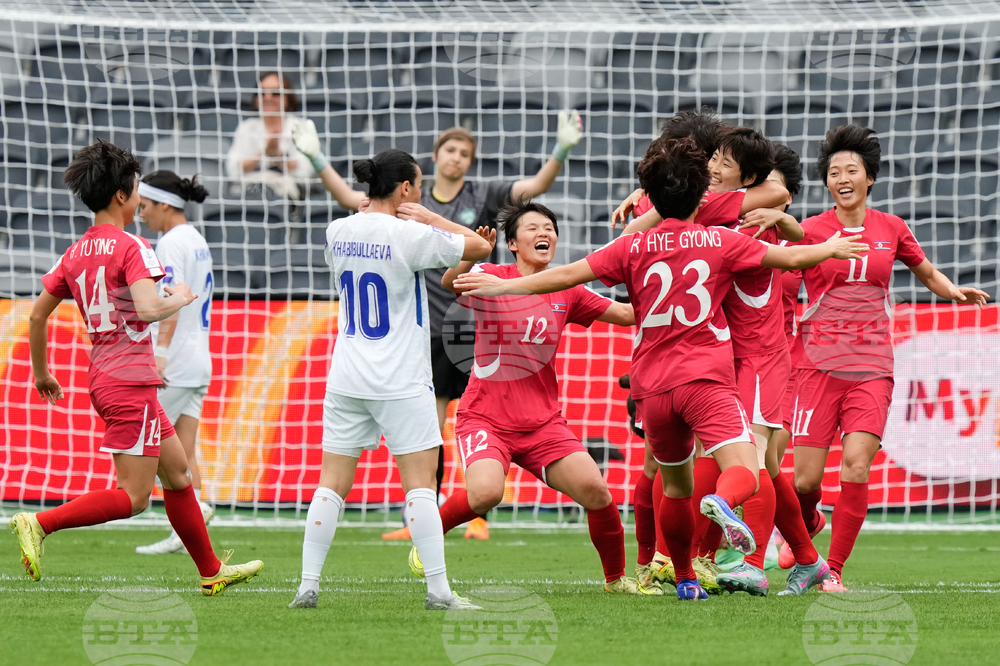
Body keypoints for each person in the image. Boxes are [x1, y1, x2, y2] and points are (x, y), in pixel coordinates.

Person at [454, 137, 869, 601]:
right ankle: (724, 507)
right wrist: (831, 247)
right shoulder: (719, 238)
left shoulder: (632, 245)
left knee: (673, 486)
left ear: (652, 195)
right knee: (746, 470)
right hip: (705, 377)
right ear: (701, 195)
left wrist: (509, 289)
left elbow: (567, 275)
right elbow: (790, 256)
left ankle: (684, 578)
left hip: (652, 386)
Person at [10, 141, 263, 595]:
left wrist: (42, 372)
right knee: (134, 497)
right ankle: (39, 523)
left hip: (110, 377)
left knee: (180, 476)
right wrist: (180, 298)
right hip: (130, 379)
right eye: (137, 192)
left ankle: (210, 570)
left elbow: (35, 315)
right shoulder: (134, 246)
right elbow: (147, 310)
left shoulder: (75, 252)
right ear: (124, 196)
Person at [288, 149, 492, 611]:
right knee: (420, 484)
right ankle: (439, 591)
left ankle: (307, 584)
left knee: (330, 484)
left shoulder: (337, 230)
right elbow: (481, 248)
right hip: (400, 377)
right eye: (417, 187)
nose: (420, 194)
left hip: (346, 375)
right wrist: (432, 217)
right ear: (405, 190)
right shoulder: (412, 232)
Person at [788, 125, 989, 592]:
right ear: (827, 182)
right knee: (803, 482)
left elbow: (927, 271)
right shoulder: (809, 230)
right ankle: (810, 521)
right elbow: (780, 269)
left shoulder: (892, 228)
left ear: (869, 178)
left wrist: (954, 293)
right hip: (815, 364)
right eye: (834, 171)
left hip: (872, 365)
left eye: (851, 170)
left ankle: (832, 571)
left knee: (857, 466)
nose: (842, 177)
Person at [407, 200, 642, 594]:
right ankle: (426, 537)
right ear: (513, 243)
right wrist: (464, 256)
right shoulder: (491, 275)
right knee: (485, 494)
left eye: (549, 228)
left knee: (596, 491)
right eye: (532, 228)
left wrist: (662, 285)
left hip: (543, 424)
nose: (544, 233)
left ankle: (616, 580)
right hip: (486, 418)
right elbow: (450, 282)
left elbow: (625, 315)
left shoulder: (567, 289)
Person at [132, 170, 217, 555]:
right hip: (200, 358)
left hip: (177, 361)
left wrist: (160, 355)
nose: (141, 213)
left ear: (165, 204)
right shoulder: (196, 239)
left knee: (149, 447)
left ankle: (188, 512)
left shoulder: (169, 243)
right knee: (184, 449)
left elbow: (172, 300)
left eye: (146, 206)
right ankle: (194, 521)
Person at [226, 72, 312, 199]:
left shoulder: (302, 127)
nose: (268, 97)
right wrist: (263, 154)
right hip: (250, 194)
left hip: (289, 195)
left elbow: (307, 170)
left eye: (275, 93)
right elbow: (232, 169)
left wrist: (279, 158)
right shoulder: (246, 128)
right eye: (262, 93)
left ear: (288, 98)